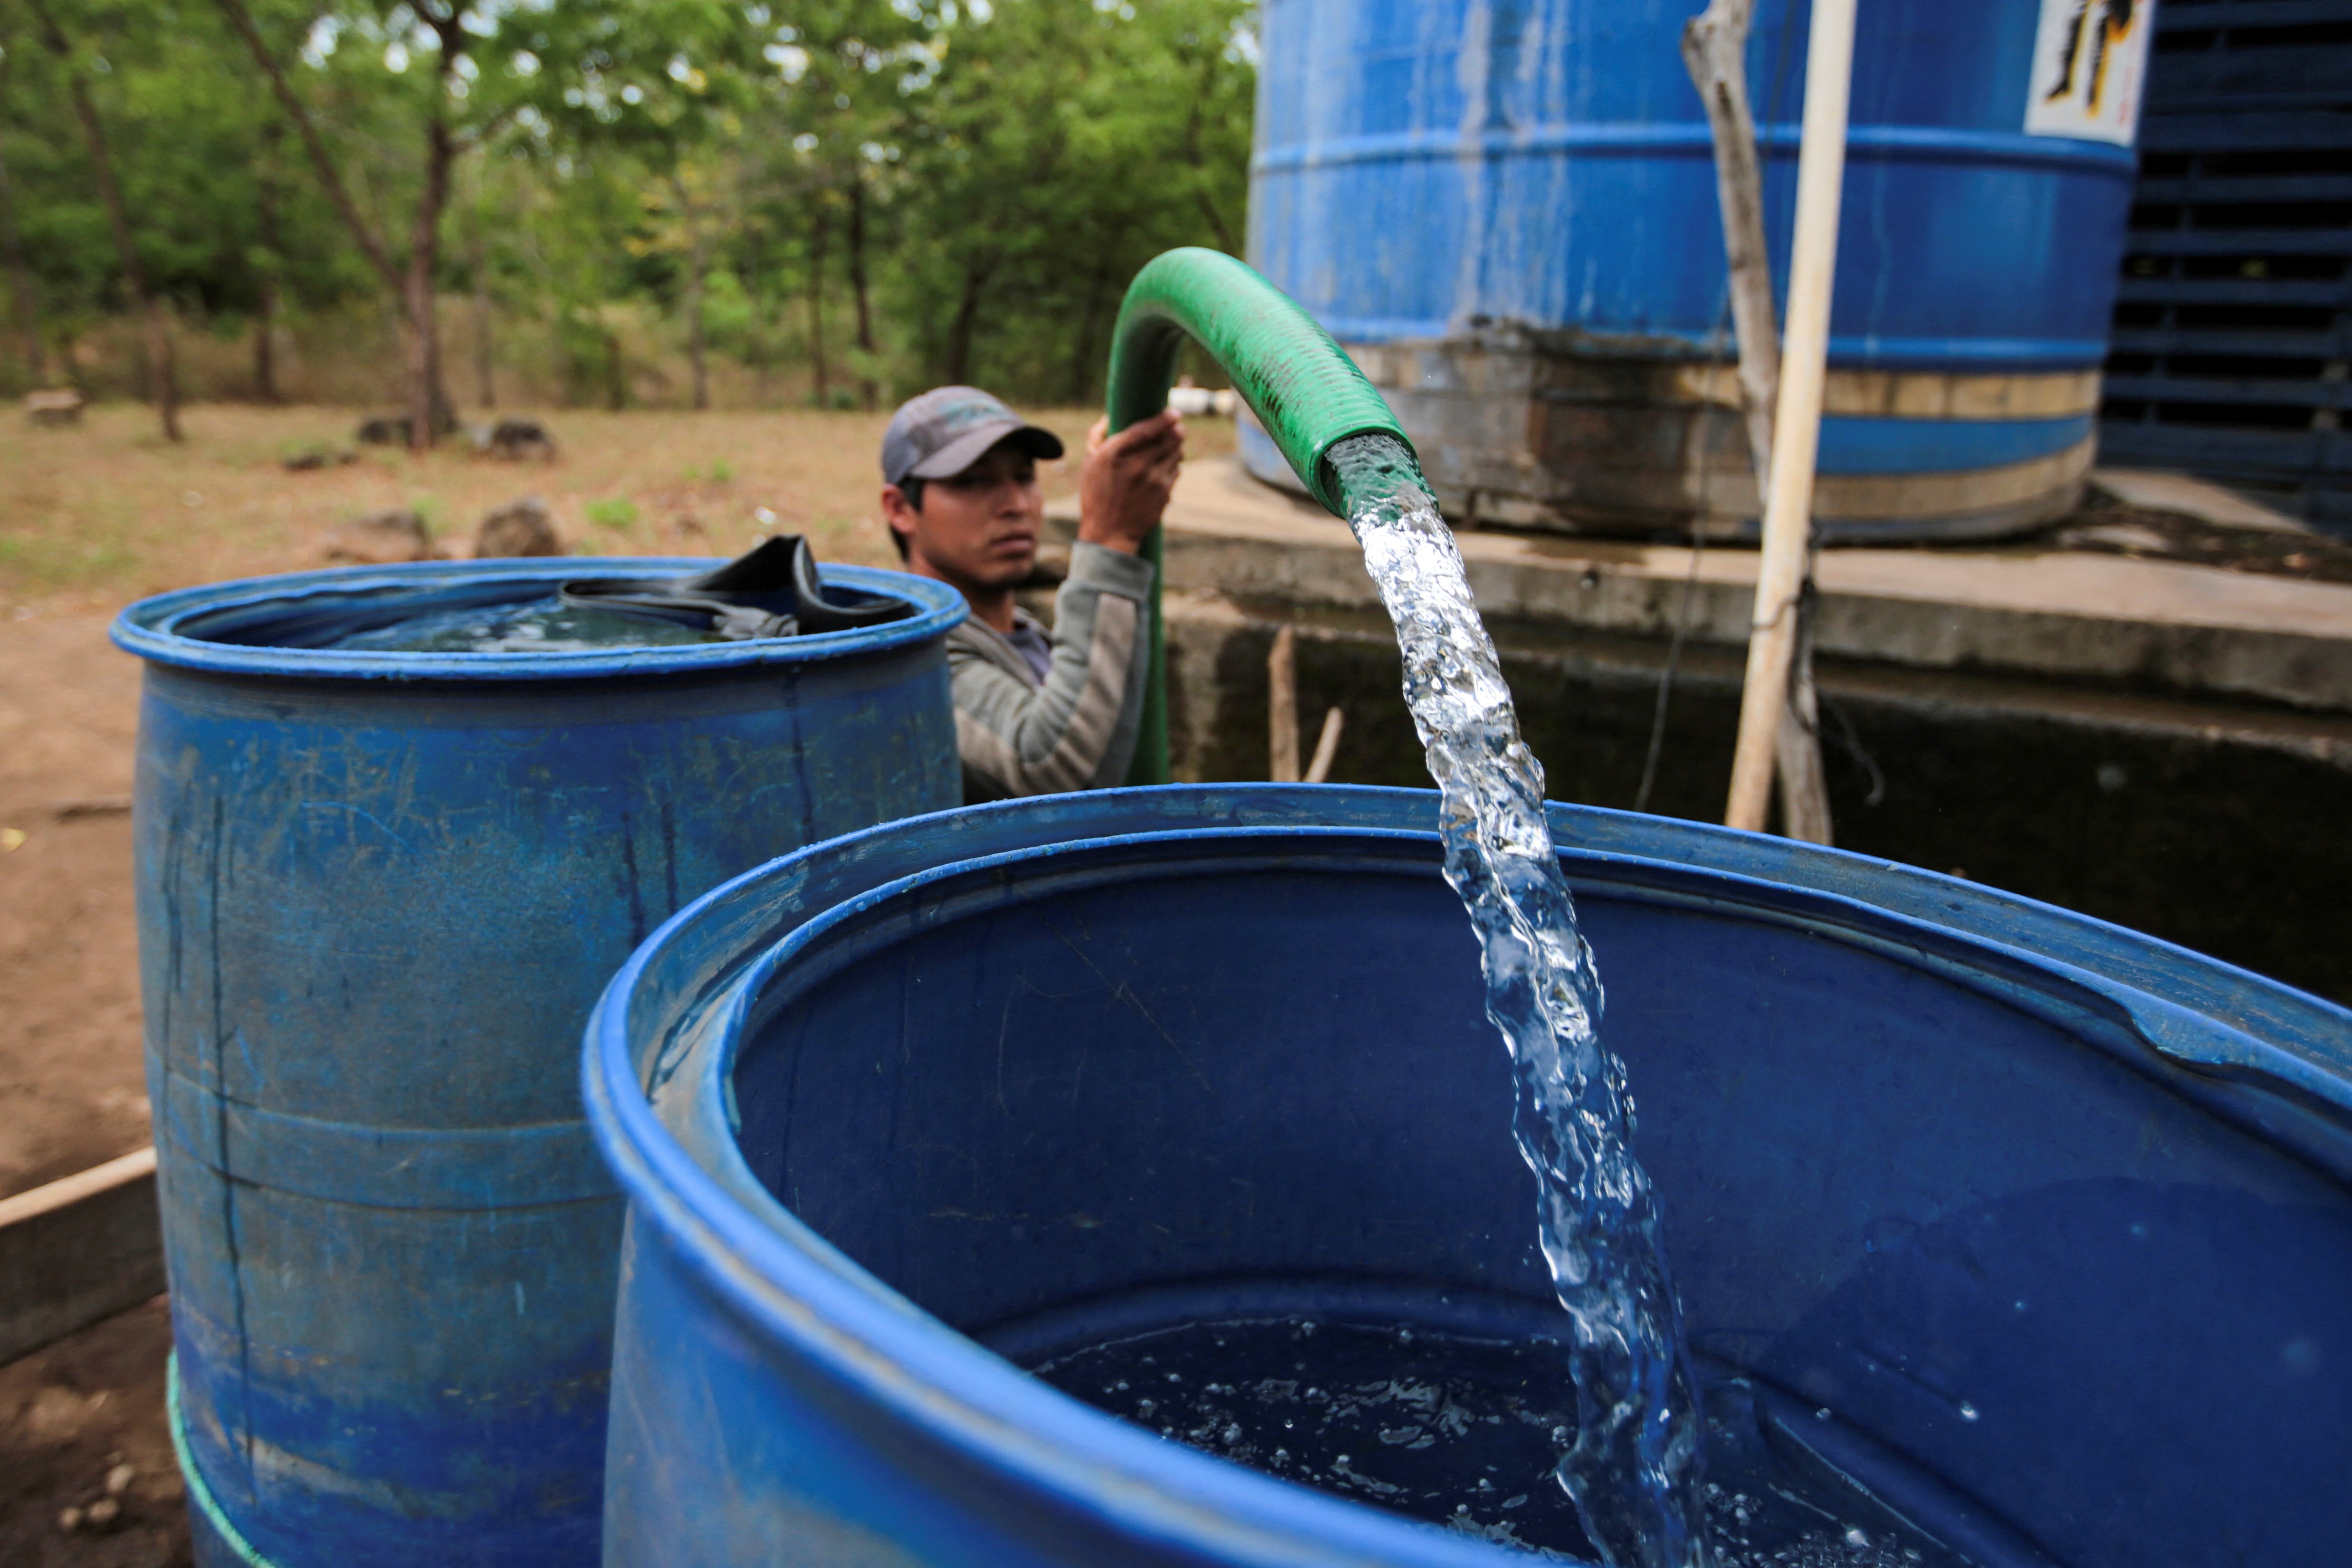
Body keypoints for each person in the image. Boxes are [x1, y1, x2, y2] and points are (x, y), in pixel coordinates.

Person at [880, 385, 1184, 802]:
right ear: (900, 509)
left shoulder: (1028, 637)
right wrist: (1109, 539)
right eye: (971, 481)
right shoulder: (909, 655)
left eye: (1024, 477)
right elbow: (1054, 776)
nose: (1016, 504)